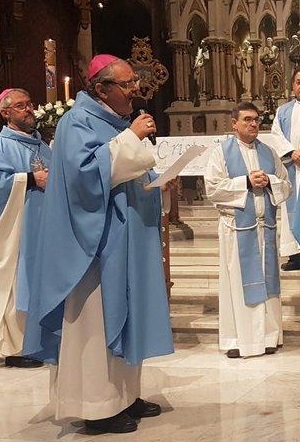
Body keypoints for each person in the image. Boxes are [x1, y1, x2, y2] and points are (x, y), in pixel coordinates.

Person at [22, 54, 174, 434]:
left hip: (128, 241)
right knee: (97, 321)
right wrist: (132, 138)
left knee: (129, 316)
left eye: (133, 82)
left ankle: (125, 396)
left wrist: (157, 183)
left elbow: (125, 172)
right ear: (101, 88)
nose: (134, 89)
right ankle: (97, 406)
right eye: (126, 84)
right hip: (96, 247)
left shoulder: (115, 122)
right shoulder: (78, 121)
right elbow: (84, 178)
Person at [203, 102, 291, 358]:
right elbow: (213, 189)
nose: (253, 124)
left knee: (268, 284)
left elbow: (286, 185)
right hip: (237, 230)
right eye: (247, 120)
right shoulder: (221, 152)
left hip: (266, 229)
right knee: (238, 285)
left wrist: (270, 181)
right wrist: (245, 181)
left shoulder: (269, 152)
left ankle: (268, 337)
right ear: (234, 123)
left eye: (256, 120)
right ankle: (237, 341)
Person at [0, 88, 50, 369]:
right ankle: (17, 348)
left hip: (45, 224)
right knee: (20, 281)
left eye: (30, 104)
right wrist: (29, 179)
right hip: (17, 228)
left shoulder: (43, 146)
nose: (29, 109)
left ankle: (40, 339)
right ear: (5, 113)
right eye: (20, 106)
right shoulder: (3, 145)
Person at [266, 66, 300, 270]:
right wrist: (291, 152)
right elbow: (276, 135)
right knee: (292, 212)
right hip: (292, 167)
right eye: (298, 82)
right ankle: (297, 256)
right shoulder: (283, 111)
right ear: (293, 85)